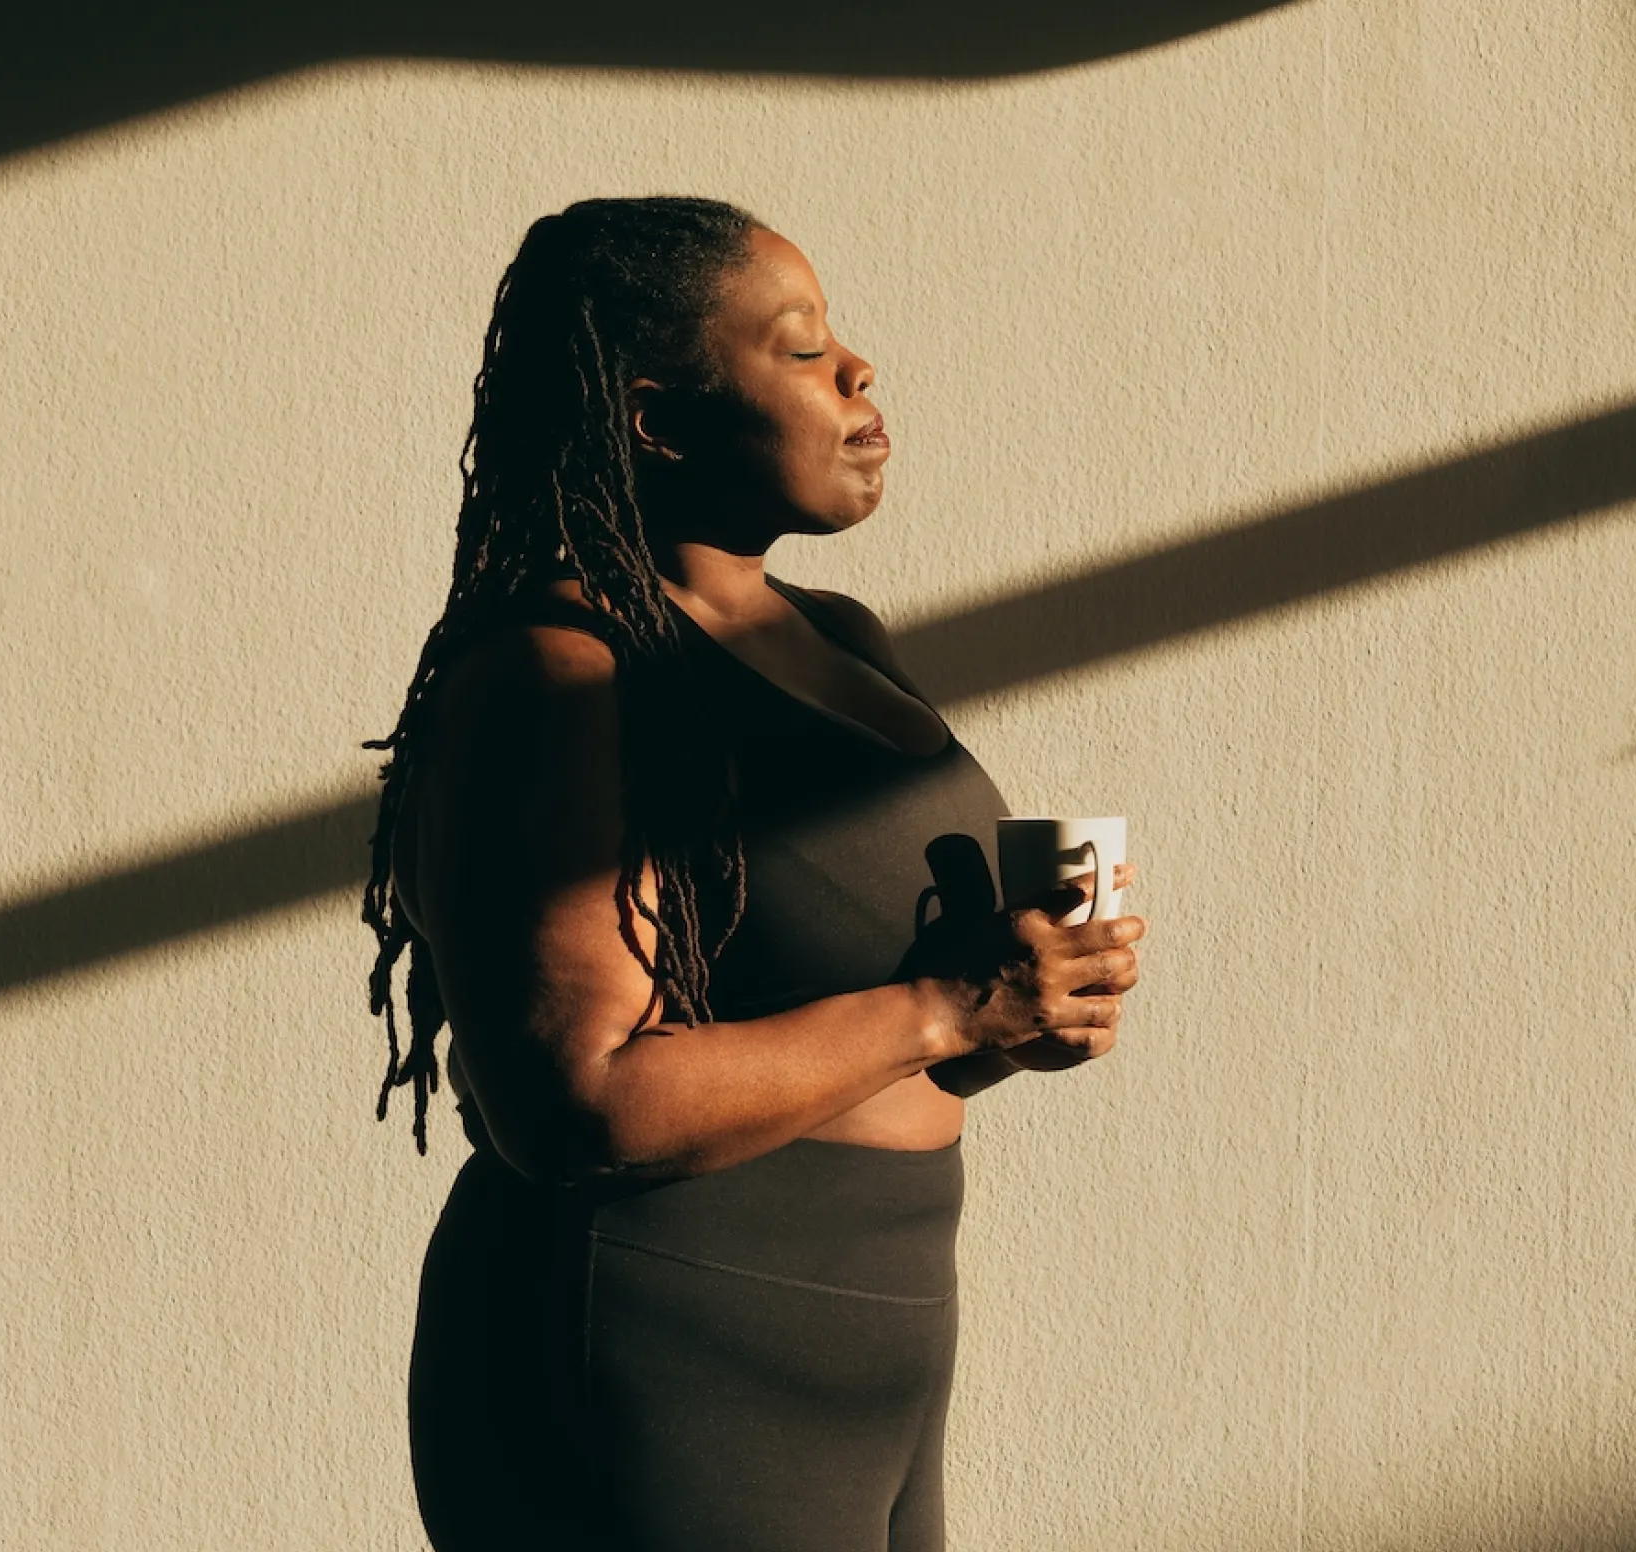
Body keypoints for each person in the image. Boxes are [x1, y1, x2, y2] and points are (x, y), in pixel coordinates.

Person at [360, 196, 1145, 1552]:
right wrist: (952, 1010)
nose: (859, 373)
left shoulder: (839, 636)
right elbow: (580, 1100)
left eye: (842, 338)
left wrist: (1022, 1018)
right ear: (657, 419)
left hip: (880, 1326)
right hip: (671, 1338)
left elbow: (856, 1020)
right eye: (799, 349)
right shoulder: (562, 672)